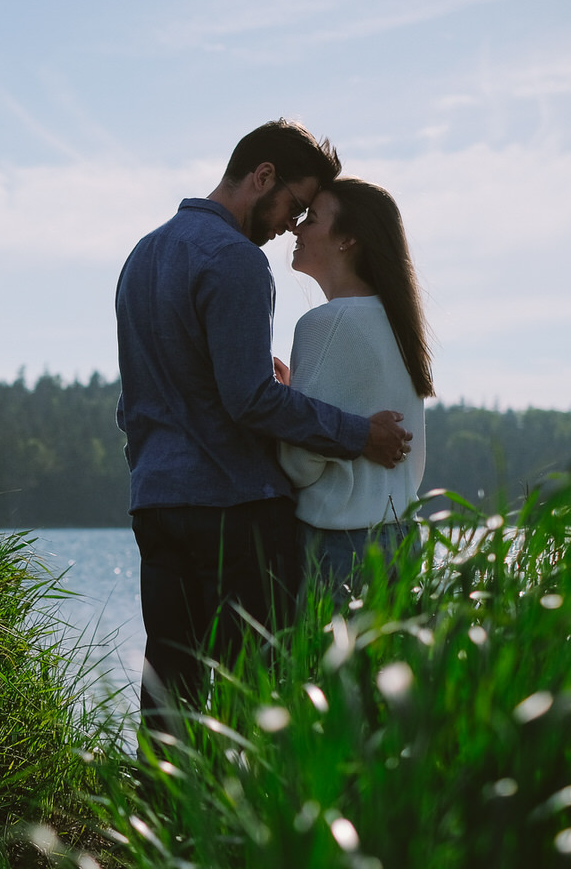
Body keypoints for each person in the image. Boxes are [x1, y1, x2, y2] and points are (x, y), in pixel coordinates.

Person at [115, 119, 412, 738]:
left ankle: (162, 825)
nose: (288, 227)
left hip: (156, 503)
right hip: (235, 510)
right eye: (293, 205)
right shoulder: (236, 261)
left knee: (169, 683)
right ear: (263, 177)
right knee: (259, 699)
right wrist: (359, 434)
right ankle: (246, 830)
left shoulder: (142, 255)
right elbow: (250, 402)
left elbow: (135, 404)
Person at [277, 178, 433, 597]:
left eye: (311, 219)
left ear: (348, 240)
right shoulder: (400, 323)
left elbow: (298, 463)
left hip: (340, 546)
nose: (297, 228)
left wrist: (285, 409)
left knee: (324, 665)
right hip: (401, 536)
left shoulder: (325, 324)